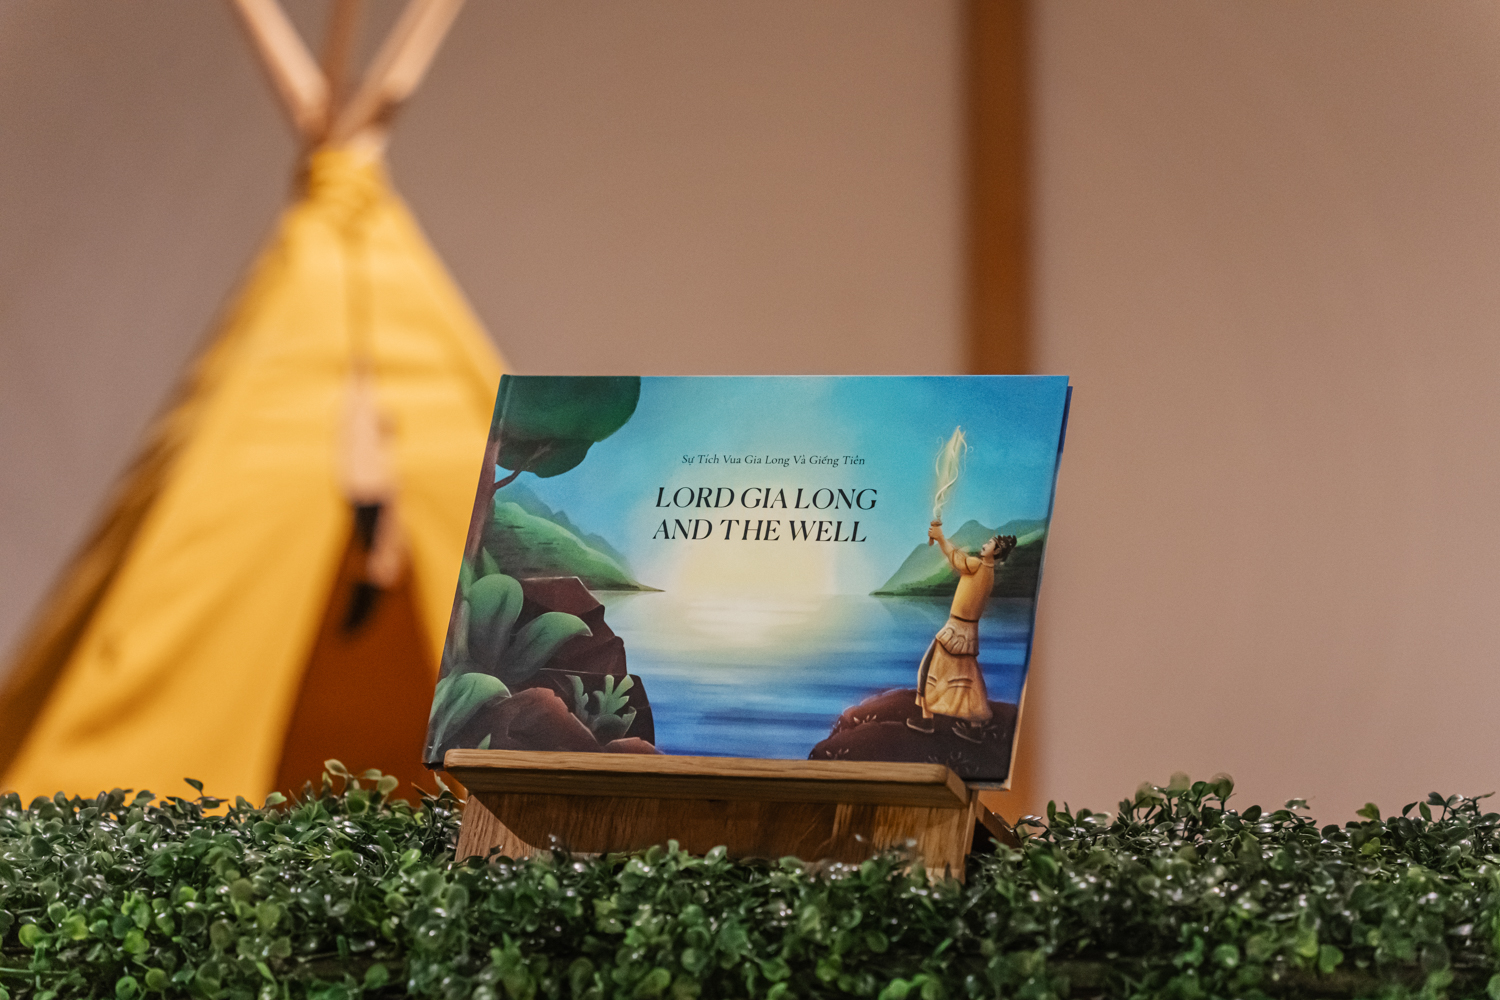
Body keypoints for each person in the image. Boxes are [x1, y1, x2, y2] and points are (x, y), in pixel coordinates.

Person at [907, 522, 1017, 741]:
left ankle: (927, 720)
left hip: (956, 629)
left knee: (928, 669)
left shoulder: (976, 565)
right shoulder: (988, 572)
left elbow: (955, 558)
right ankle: (975, 726)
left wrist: (940, 537)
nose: (985, 544)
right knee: (968, 678)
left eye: (990, 543)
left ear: (996, 551)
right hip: (967, 631)